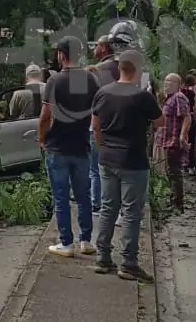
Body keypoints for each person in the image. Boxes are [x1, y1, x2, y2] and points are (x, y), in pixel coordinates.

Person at [92, 50, 164, 281]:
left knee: (107, 208)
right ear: (139, 69)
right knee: (131, 213)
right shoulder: (142, 97)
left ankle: (103, 257)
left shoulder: (103, 93)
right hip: (133, 160)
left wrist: (104, 147)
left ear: (119, 68)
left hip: (107, 158)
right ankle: (129, 262)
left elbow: (96, 126)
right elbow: (160, 122)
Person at [38, 37, 100, 257]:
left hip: (58, 147)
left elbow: (46, 115)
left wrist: (42, 138)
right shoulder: (91, 80)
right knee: (83, 195)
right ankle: (86, 240)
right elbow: (98, 113)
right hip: (82, 145)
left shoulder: (55, 81)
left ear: (61, 54)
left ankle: (66, 243)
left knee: (61, 197)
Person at [86, 35, 120, 213]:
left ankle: (97, 204)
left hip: (99, 123)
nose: (94, 48)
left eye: (97, 45)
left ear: (105, 48)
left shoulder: (98, 69)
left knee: (96, 168)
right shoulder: (120, 67)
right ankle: (114, 203)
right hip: (118, 123)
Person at [160, 74, 191, 213]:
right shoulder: (169, 98)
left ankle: (178, 204)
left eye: (170, 81)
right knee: (169, 171)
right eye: (165, 81)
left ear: (178, 84)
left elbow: (186, 117)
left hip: (174, 140)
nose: (166, 83)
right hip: (167, 140)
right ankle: (173, 199)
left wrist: (182, 136)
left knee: (174, 172)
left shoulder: (179, 97)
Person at [180, 73, 196, 175]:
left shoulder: (180, 92)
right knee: (191, 142)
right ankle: (191, 166)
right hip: (190, 117)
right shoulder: (194, 94)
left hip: (180, 118)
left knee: (181, 140)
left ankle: (181, 165)